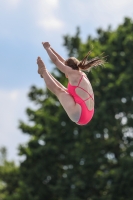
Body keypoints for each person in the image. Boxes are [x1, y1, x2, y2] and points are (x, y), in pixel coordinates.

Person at [37, 42, 105, 125]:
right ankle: (45, 72)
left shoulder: (71, 73)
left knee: (59, 91)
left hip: (81, 114)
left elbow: (56, 61)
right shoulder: (79, 73)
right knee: (63, 90)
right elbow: (63, 61)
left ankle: (43, 71)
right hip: (89, 113)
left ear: (68, 67)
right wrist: (50, 48)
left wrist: (47, 48)